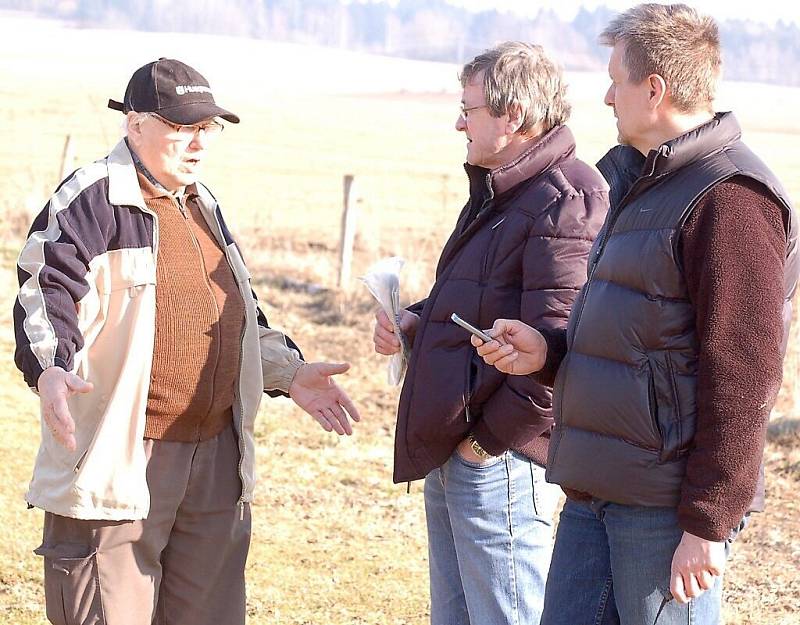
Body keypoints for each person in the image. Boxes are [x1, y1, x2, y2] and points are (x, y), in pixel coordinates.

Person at [472, 5, 799, 624]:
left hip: (663, 511)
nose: (604, 96)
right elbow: (641, 337)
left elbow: (744, 376)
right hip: (596, 492)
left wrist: (708, 522)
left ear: (654, 89)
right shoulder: (641, 182)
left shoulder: (729, 200)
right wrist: (549, 352)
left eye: (615, 79)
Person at [13, 58, 361, 625]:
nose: (198, 144)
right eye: (181, 127)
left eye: (207, 129)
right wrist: (52, 368)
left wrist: (287, 371)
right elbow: (43, 290)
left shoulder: (203, 204)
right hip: (124, 452)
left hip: (215, 457)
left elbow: (236, 313)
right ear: (135, 124)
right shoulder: (92, 199)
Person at [372, 42, 608, 624]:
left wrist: (485, 446)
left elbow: (561, 349)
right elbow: (483, 295)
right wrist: (416, 322)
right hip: (459, 440)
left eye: (469, 108)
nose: (459, 122)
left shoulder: (566, 199)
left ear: (514, 118)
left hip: (499, 459)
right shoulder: (503, 188)